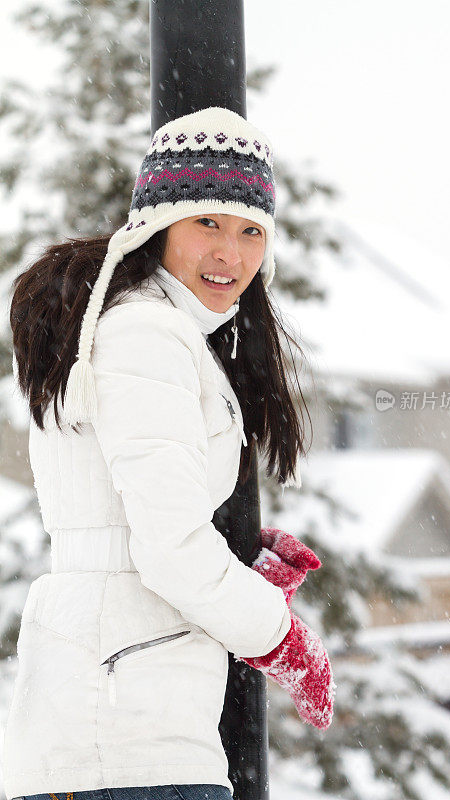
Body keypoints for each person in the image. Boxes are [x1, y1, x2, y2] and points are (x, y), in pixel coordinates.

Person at [3, 107, 335, 800]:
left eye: (250, 232)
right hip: (122, 733)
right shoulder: (144, 334)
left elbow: (139, 520)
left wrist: (240, 552)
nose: (229, 254)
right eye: (205, 223)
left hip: (123, 716)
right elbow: (167, 550)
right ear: (158, 227)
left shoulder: (150, 328)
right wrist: (280, 638)